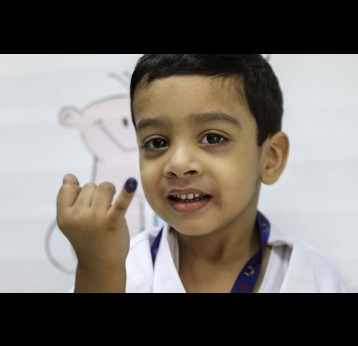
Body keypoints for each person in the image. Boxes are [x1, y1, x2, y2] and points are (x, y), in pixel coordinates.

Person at [57, 54, 357, 293]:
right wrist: (98, 269)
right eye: (157, 142)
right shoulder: (117, 270)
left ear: (270, 158)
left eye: (213, 138)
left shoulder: (318, 279)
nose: (178, 164)